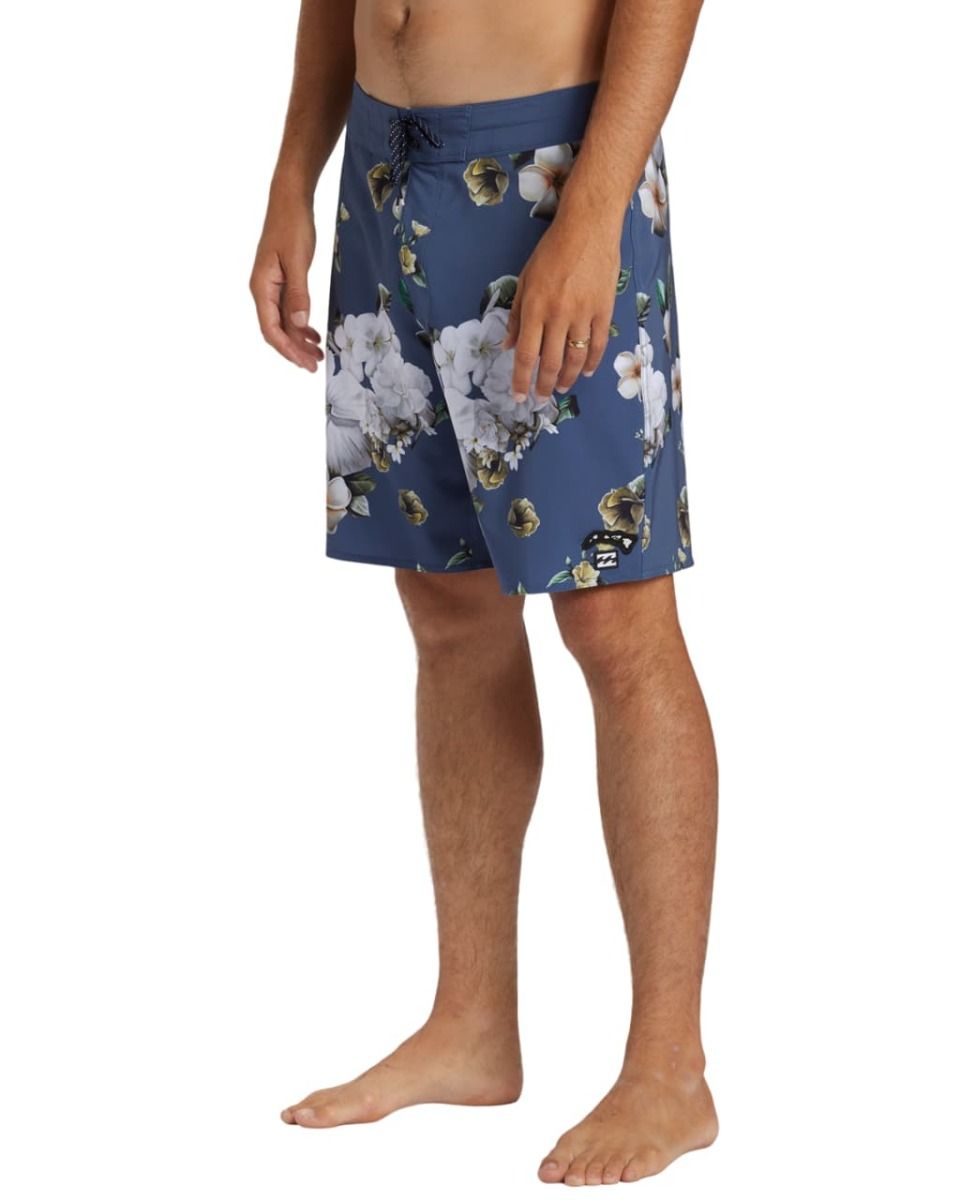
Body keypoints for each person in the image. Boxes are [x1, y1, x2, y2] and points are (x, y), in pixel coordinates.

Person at [251, 0, 718, 1186]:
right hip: (384, 172)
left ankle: (670, 1069)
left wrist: (596, 211)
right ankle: (471, 1025)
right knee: (447, 608)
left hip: (549, 174)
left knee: (614, 613)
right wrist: (294, 175)